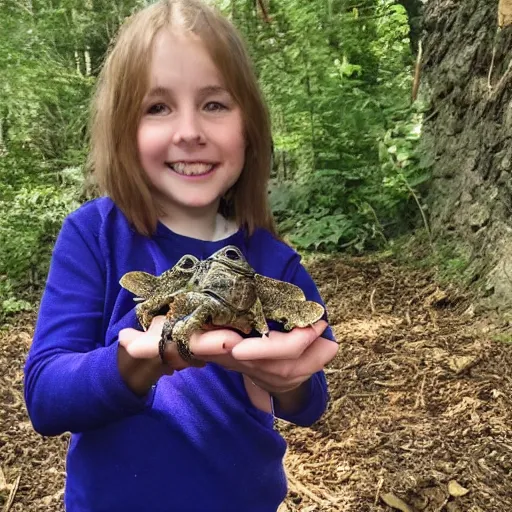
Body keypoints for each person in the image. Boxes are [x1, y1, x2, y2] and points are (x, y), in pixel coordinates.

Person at [23, 1, 339, 510]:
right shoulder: (95, 236)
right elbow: (45, 396)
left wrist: (289, 380)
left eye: (214, 104)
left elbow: (310, 401)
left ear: (249, 126)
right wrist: (137, 363)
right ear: (124, 129)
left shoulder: (273, 260)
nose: (190, 131)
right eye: (158, 107)